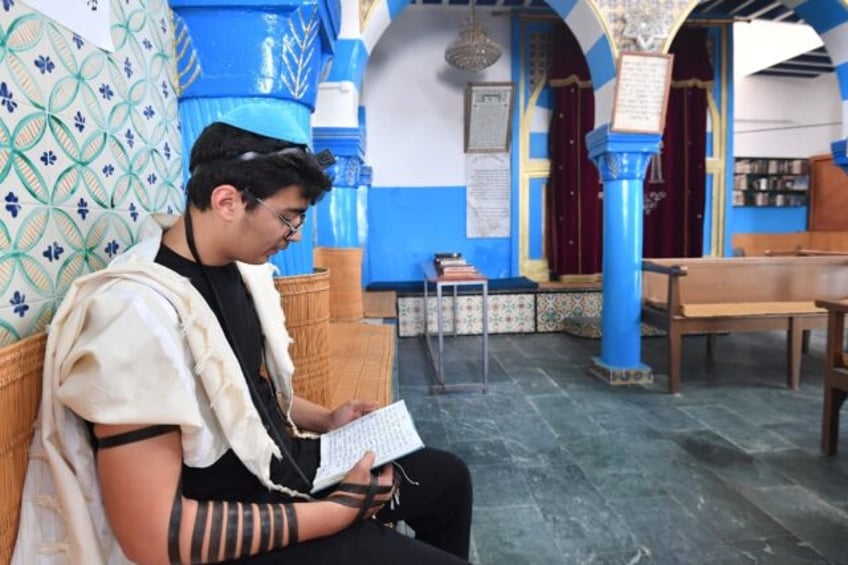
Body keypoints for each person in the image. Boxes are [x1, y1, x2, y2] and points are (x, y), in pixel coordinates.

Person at [12, 107, 472, 564]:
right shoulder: (134, 318)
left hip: (277, 471)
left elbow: (240, 393)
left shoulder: (237, 271)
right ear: (227, 202)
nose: (294, 236)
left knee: (448, 479)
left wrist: (326, 419)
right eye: (289, 217)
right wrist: (337, 513)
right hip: (225, 529)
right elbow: (153, 537)